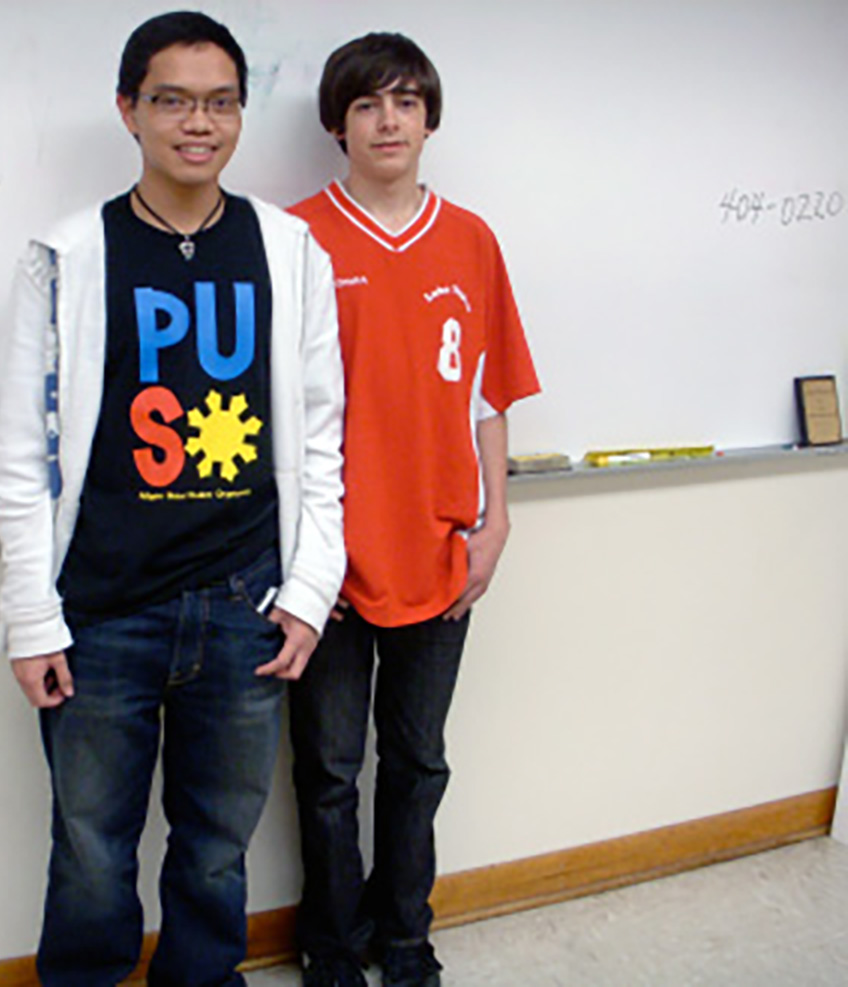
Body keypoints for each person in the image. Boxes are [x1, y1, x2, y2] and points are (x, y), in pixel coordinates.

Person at [0, 11, 345, 987]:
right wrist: (32, 617)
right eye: (173, 100)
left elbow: (320, 435)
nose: (200, 122)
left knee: (217, 850)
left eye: (220, 102)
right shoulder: (66, 256)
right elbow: (21, 457)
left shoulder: (289, 251)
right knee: (92, 852)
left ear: (239, 115)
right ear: (129, 110)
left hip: (244, 607)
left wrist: (310, 590)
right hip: (103, 613)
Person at [287, 33, 540, 987]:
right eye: (366, 105)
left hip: (443, 548)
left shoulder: (470, 239)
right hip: (332, 561)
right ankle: (333, 947)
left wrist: (497, 519)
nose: (387, 121)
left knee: (419, 761)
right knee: (327, 774)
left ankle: (405, 939)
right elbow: (276, 419)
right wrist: (304, 557)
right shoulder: (295, 236)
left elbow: (487, 396)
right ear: (337, 124)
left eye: (404, 102)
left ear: (430, 118)